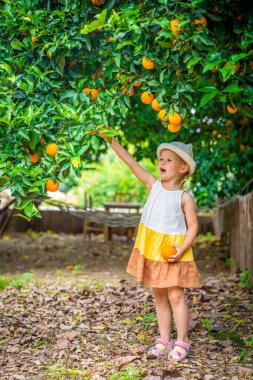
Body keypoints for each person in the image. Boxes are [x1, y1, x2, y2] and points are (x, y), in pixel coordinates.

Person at [103, 135, 201, 362]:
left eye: (169, 160)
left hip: (174, 252)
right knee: (159, 296)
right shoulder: (152, 185)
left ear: (183, 167)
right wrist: (111, 140)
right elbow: (131, 162)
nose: (162, 163)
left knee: (176, 295)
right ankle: (163, 340)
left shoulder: (184, 197)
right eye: (161, 159)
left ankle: (182, 341)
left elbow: (193, 226)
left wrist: (182, 247)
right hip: (153, 250)